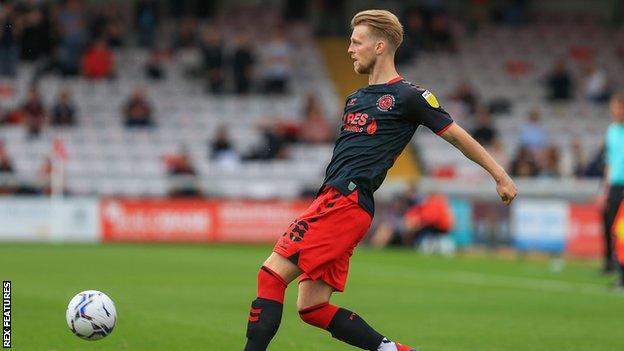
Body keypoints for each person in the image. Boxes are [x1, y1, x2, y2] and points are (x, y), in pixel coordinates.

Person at [242, 10, 517, 351]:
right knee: (312, 307)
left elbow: (458, 136)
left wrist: (500, 175)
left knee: (270, 276)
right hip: (335, 200)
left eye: (357, 42)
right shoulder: (354, 98)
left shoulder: (409, 96)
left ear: (380, 46)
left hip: (345, 201)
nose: (349, 49)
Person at [600, 93, 624, 276]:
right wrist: (605, 190)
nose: (617, 112)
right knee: (611, 224)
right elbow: (609, 162)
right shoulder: (611, 131)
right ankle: (610, 262)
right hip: (615, 185)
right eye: (615, 108)